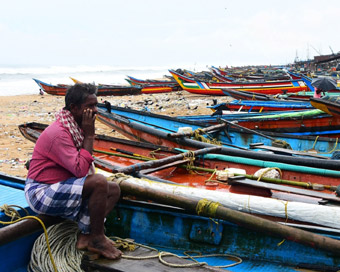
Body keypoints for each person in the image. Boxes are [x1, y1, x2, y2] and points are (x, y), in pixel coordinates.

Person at [25, 83, 122, 260]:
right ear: (74, 108)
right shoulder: (59, 133)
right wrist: (90, 136)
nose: (95, 111)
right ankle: (98, 238)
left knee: (114, 189)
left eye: (96, 105)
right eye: (89, 107)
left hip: (60, 186)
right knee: (99, 182)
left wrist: (87, 134)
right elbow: (80, 170)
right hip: (40, 192)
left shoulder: (75, 128)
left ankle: (86, 236)